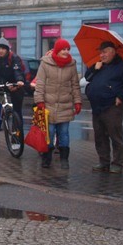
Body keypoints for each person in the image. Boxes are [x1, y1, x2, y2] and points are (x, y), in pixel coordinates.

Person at [84, 41, 123, 174]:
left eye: (104, 52)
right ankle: (104, 161)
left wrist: (121, 97)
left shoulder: (122, 67)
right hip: (97, 107)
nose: (101, 55)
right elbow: (87, 77)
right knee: (99, 136)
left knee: (115, 136)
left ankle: (117, 163)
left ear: (113, 52)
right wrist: (94, 69)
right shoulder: (99, 65)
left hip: (112, 107)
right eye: (100, 52)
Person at [33, 38, 83, 169]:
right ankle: (46, 158)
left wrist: (77, 101)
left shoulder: (71, 64)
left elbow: (75, 85)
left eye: (68, 49)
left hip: (65, 105)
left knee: (64, 134)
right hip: (48, 105)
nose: (66, 52)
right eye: (63, 49)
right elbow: (40, 84)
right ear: (57, 50)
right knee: (49, 133)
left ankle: (64, 159)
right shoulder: (45, 63)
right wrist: (40, 101)